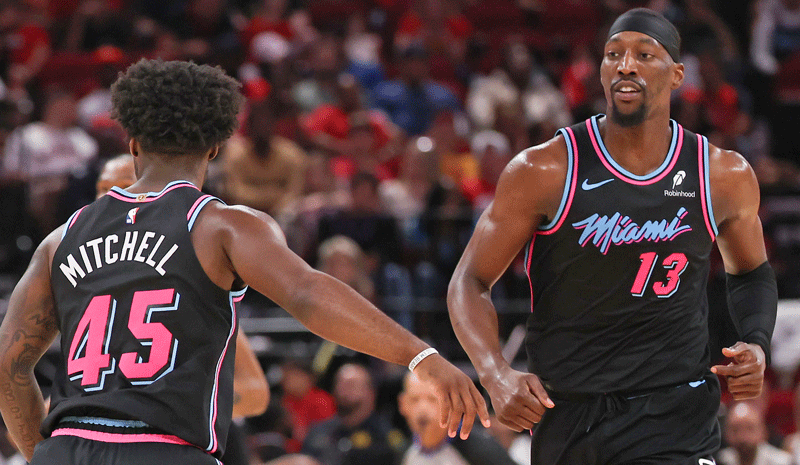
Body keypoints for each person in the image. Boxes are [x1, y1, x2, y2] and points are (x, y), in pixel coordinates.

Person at [0, 59, 489, 465]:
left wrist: (42, 452)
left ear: (132, 143)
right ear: (215, 147)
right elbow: (309, 294)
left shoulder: (60, 239)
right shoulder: (218, 225)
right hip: (162, 450)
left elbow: (8, 365)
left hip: (66, 448)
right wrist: (420, 356)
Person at [447, 8, 777, 464]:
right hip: (569, 412)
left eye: (645, 54)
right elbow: (469, 281)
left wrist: (757, 342)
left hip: (674, 411)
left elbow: (753, 272)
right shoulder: (545, 169)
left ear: (678, 74)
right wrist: (494, 372)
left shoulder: (720, 173)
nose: (626, 65)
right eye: (613, 54)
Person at [398, 371, 517, 465]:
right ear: (402, 404)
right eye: (414, 400)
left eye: (432, 400)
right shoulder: (403, 452)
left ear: (451, 404)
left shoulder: (480, 449)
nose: (422, 409)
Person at [302, 363, 405, 465]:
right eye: (338, 383)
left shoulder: (386, 438)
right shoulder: (318, 431)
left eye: (350, 385)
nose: (341, 390)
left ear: (370, 393)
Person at [717, 402, 793, 465]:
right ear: (726, 433)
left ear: (763, 431)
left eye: (750, 428)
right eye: (735, 430)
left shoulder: (783, 462)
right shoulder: (721, 460)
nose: (742, 437)